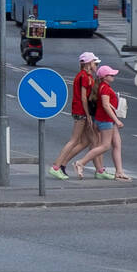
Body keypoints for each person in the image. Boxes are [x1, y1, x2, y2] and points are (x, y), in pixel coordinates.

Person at [49, 52, 105, 180]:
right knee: (74, 140)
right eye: (95, 63)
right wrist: (88, 115)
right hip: (81, 112)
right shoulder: (84, 77)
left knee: (88, 141)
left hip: (82, 112)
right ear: (88, 64)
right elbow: (84, 98)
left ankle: (97, 170)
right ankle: (56, 166)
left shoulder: (86, 76)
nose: (97, 65)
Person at [74, 65, 128, 180]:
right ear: (104, 77)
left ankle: (119, 172)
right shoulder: (105, 88)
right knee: (105, 146)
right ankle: (81, 162)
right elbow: (106, 105)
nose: (113, 76)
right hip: (105, 120)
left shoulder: (103, 86)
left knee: (117, 144)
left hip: (105, 120)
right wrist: (116, 120)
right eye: (111, 75)